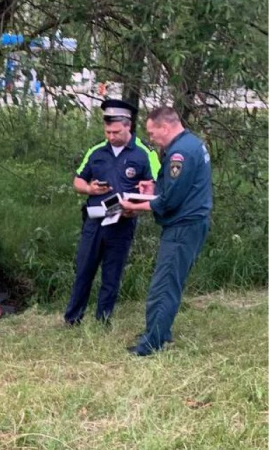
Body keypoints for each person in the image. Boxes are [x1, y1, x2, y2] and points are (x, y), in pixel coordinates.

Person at [120, 106, 212, 356]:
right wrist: (152, 188)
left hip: (183, 227)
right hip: (191, 224)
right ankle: (159, 330)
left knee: (164, 285)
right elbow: (175, 187)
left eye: (152, 133)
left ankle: (152, 344)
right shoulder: (192, 143)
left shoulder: (179, 154)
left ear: (165, 126)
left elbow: (171, 200)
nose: (151, 138)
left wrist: (136, 204)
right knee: (171, 281)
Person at [64, 99, 160, 326]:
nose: (111, 136)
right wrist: (89, 188)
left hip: (123, 221)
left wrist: (137, 205)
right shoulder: (96, 151)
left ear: (128, 126)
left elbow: (155, 187)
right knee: (84, 270)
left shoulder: (145, 153)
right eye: (107, 131)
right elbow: (78, 181)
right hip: (95, 220)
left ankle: (103, 319)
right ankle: (73, 318)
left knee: (112, 273)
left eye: (116, 131)